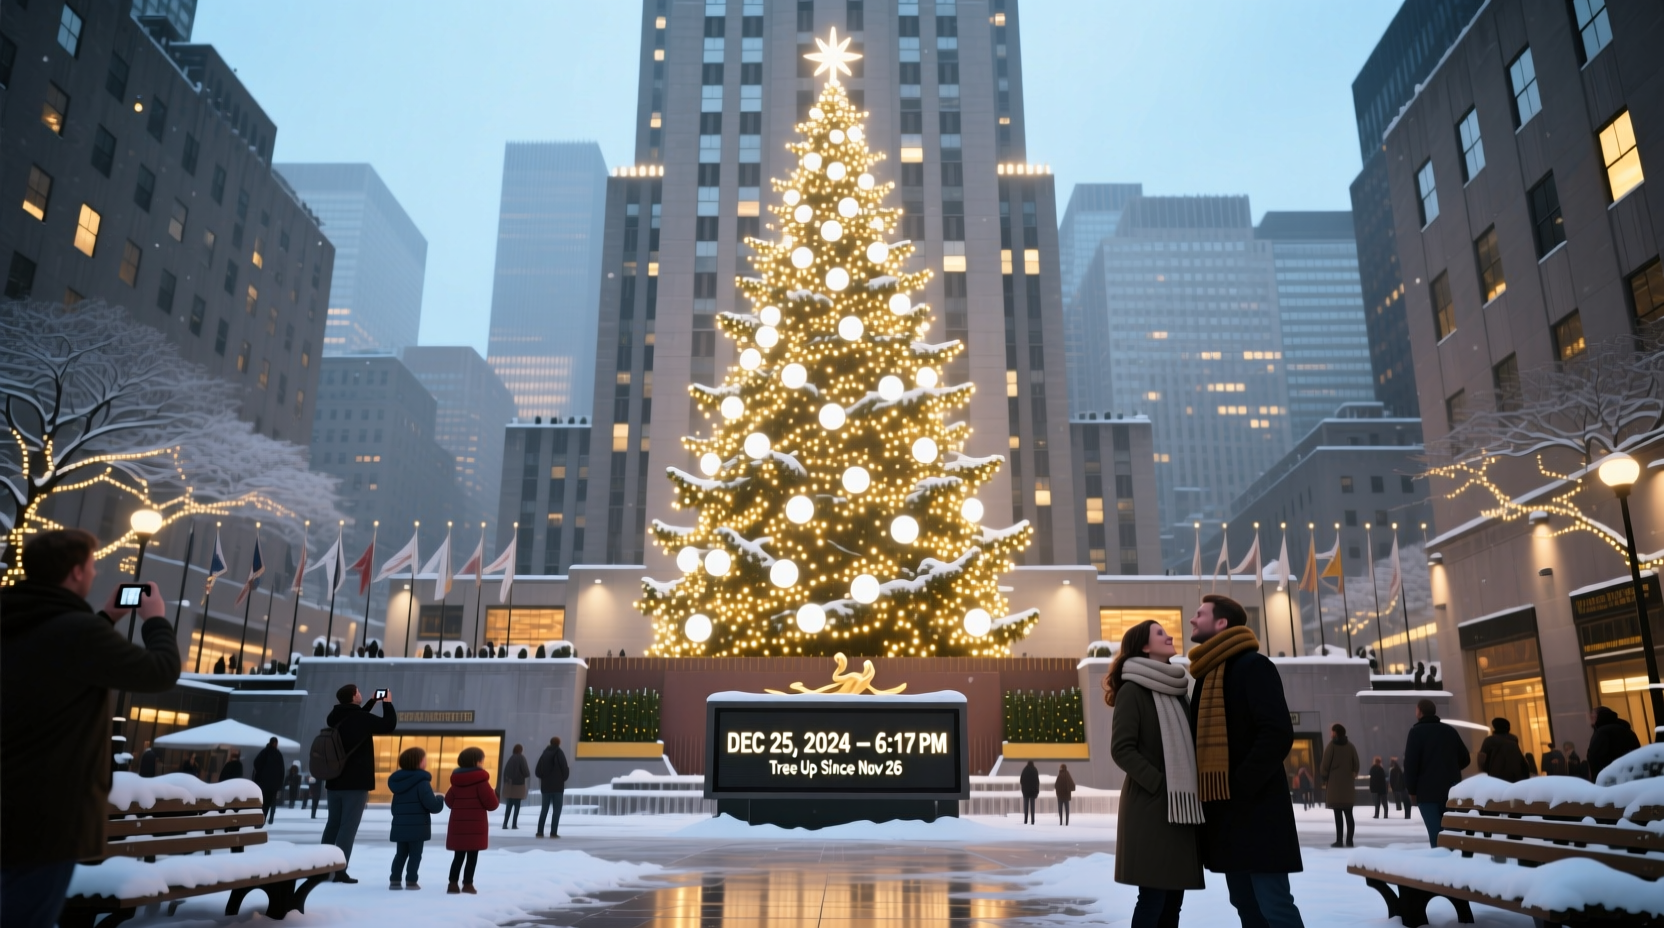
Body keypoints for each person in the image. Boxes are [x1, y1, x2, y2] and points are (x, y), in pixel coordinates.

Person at [1, 529, 181, 928]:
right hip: (46, 816)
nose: (95, 572)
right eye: (92, 565)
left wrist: (106, 618)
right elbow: (161, 671)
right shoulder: (77, 633)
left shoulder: (16, 618)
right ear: (75, 571)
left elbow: (58, 659)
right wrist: (155, 621)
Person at [1185, 594, 1305, 928]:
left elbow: (1277, 733)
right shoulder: (1207, 676)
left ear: (1221, 623)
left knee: (1275, 906)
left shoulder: (1253, 666)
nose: (1193, 620)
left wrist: (1240, 785)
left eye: (1200, 614)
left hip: (1258, 812)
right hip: (1227, 817)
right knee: (1245, 906)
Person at [1107, 619, 1203, 928]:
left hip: (1181, 810)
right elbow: (1122, 748)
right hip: (1151, 809)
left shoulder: (1178, 689)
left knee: (1173, 902)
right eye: (1160, 633)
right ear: (1145, 646)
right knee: (1153, 898)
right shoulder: (1132, 691)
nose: (1170, 635)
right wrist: (1160, 784)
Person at [321, 684, 397, 883]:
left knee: (333, 825)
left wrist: (372, 701)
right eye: (359, 692)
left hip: (334, 780)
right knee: (348, 827)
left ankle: (322, 868)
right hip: (355, 783)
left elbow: (354, 721)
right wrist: (386, 704)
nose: (361, 694)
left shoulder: (334, 717)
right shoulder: (360, 719)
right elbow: (388, 725)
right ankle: (339, 870)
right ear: (354, 696)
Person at [1403, 698, 1470, 847]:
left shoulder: (1415, 733)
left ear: (1419, 712)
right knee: (1451, 834)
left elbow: (1410, 765)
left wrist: (1412, 790)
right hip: (1451, 791)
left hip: (1427, 793)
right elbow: (1465, 758)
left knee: (1436, 835)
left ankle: (1440, 865)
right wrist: (1450, 769)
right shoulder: (1449, 731)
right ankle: (1452, 863)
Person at [387, 746, 444, 891]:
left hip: (400, 826)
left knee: (400, 854)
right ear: (418, 762)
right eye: (424, 758)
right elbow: (432, 806)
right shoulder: (422, 782)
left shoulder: (398, 783)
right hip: (418, 827)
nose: (426, 761)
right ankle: (411, 881)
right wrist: (439, 799)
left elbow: (394, 808)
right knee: (415, 855)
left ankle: (394, 880)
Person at [444, 746, 498, 894]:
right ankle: (468, 884)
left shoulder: (456, 782)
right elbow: (492, 804)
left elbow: (448, 801)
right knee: (472, 856)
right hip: (476, 827)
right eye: (482, 760)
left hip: (458, 826)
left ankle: (452, 884)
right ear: (477, 762)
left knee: (458, 856)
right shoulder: (481, 782)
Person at [1320, 724, 1359, 848]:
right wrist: (1352, 773)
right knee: (1349, 814)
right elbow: (1356, 764)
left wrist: (1324, 777)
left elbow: (1325, 765)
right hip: (1347, 786)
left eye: (1332, 732)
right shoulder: (1351, 747)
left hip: (1335, 786)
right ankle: (1350, 840)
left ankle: (1339, 840)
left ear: (1335, 733)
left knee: (1338, 815)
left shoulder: (1331, 747)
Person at [1587, 706, 1642, 781]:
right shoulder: (1628, 731)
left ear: (1599, 716)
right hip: (1632, 775)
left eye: (1592, 715)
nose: (1590, 717)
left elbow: (1595, 758)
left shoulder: (1601, 733)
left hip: (1610, 779)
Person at [534, 736, 570, 838]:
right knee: (557, 810)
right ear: (559, 743)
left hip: (545, 787)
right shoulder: (560, 753)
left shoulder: (544, 754)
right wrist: (562, 778)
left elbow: (537, 771)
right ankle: (553, 832)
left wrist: (544, 778)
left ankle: (540, 832)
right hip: (557, 787)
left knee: (544, 809)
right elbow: (565, 769)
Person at [1476, 718, 1526, 783]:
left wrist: (1481, 772)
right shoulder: (1513, 738)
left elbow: (1481, 757)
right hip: (1515, 775)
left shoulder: (1489, 740)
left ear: (1495, 727)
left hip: (1496, 775)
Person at [253, 737, 286, 824]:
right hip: (269, 783)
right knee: (268, 802)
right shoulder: (274, 754)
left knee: (267, 802)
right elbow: (281, 769)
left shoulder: (266, 752)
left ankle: (265, 818)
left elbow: (256, 763)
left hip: (266, 782)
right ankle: (265, 818)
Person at [500, 744, 530, 829]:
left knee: (508, 806)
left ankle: (505, 823)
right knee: (517, 806)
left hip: (509, 786)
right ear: (521, 750)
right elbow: (526, 772)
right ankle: (514, 824)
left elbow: (505, 772)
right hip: (519, 785)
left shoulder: (511, 758)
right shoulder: (521, 758)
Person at [1019, 760, 1040, 825]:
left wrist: (1024, 788)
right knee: (1032, 807)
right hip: (1033, 791)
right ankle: (1032, 821)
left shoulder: (1024, 770)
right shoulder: (1035, 770)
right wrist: (1037, 790)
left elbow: (1021, 780)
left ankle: (1025, 820)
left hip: (1025, 791)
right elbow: (1037, 781)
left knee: (1026, 806)